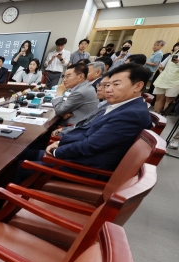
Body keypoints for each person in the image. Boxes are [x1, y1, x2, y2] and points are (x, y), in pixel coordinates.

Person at [15, 63, 152, 183]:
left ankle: (6, 205)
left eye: (116, 84)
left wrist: (58, 151)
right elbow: (88, 130)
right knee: (21, 153)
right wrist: (61, 143)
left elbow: (90, 146)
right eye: (108, 85)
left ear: (138, 86)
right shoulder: (126, 107)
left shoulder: (131, 114)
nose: (108, 89)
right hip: (80, 158)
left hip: (84, 168)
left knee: (16, 165)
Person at [51, 75, 110, 139]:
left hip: (76, 135)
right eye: (99, 85)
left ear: (80, 77)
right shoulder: (103, 105)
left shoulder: (81, 91)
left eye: (68, 76)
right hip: (75, 129)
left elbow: (59, 110)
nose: (98, 89)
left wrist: (59, 93)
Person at [152, 47, 179, 114]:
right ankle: (155, 117)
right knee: (158, 98)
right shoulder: (177, 50)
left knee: (169, 101)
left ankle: (162, 119)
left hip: (175, 81)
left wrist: (178, 62)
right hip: (164, 78)